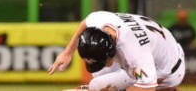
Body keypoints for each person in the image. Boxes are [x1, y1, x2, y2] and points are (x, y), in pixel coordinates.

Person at [49, 11, 185, 91]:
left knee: (98, 85)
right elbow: (85, 22)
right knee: (97, 83)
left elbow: (147, 88)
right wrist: (67, 52)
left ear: (111, 52)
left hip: (167, 71)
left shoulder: (134, 53)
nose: (102, 65)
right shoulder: (101, 21)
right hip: (160, 46)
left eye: (103, 61)